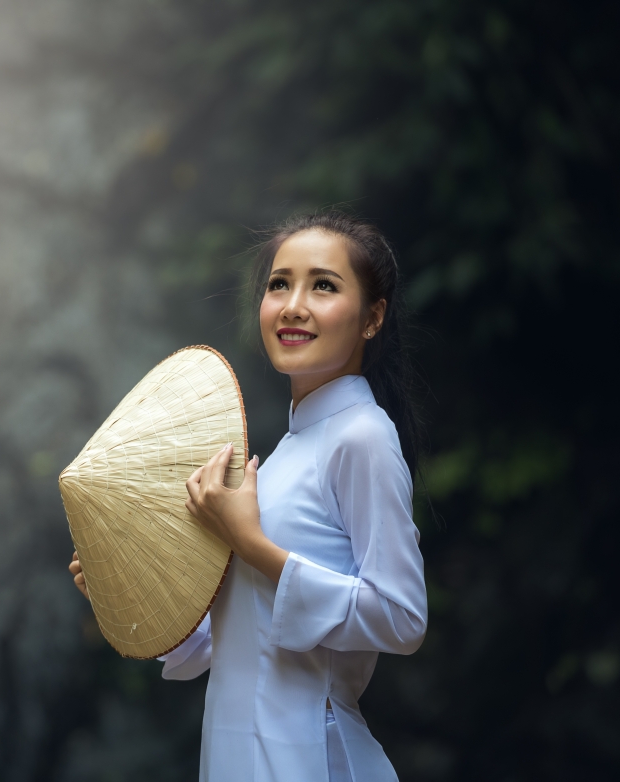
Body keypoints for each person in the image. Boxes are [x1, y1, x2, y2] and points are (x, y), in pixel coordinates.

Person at [69, 212, 428, 781]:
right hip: (238, 752)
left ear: (372, 317)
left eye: (324, 286)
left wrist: (250, 542)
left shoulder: (361, 435)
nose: (292, 305)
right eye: (279, 284)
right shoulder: (286, 452)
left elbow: (402, 617)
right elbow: (237, 638)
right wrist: (127, 579)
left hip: (309, 756)